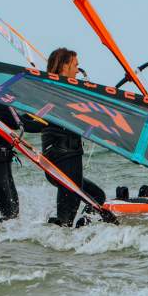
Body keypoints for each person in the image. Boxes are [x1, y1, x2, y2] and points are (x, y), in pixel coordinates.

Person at [41, 48, 106, 226]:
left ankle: (76, 230)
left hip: (55, 161)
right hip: (67, 159)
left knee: (97, 196)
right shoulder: (61, 92)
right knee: (66, 222)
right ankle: (71, 238)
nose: (78, 70)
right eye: (75, 65)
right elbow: (37, 120)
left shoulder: (51, 89)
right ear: (64, 65)